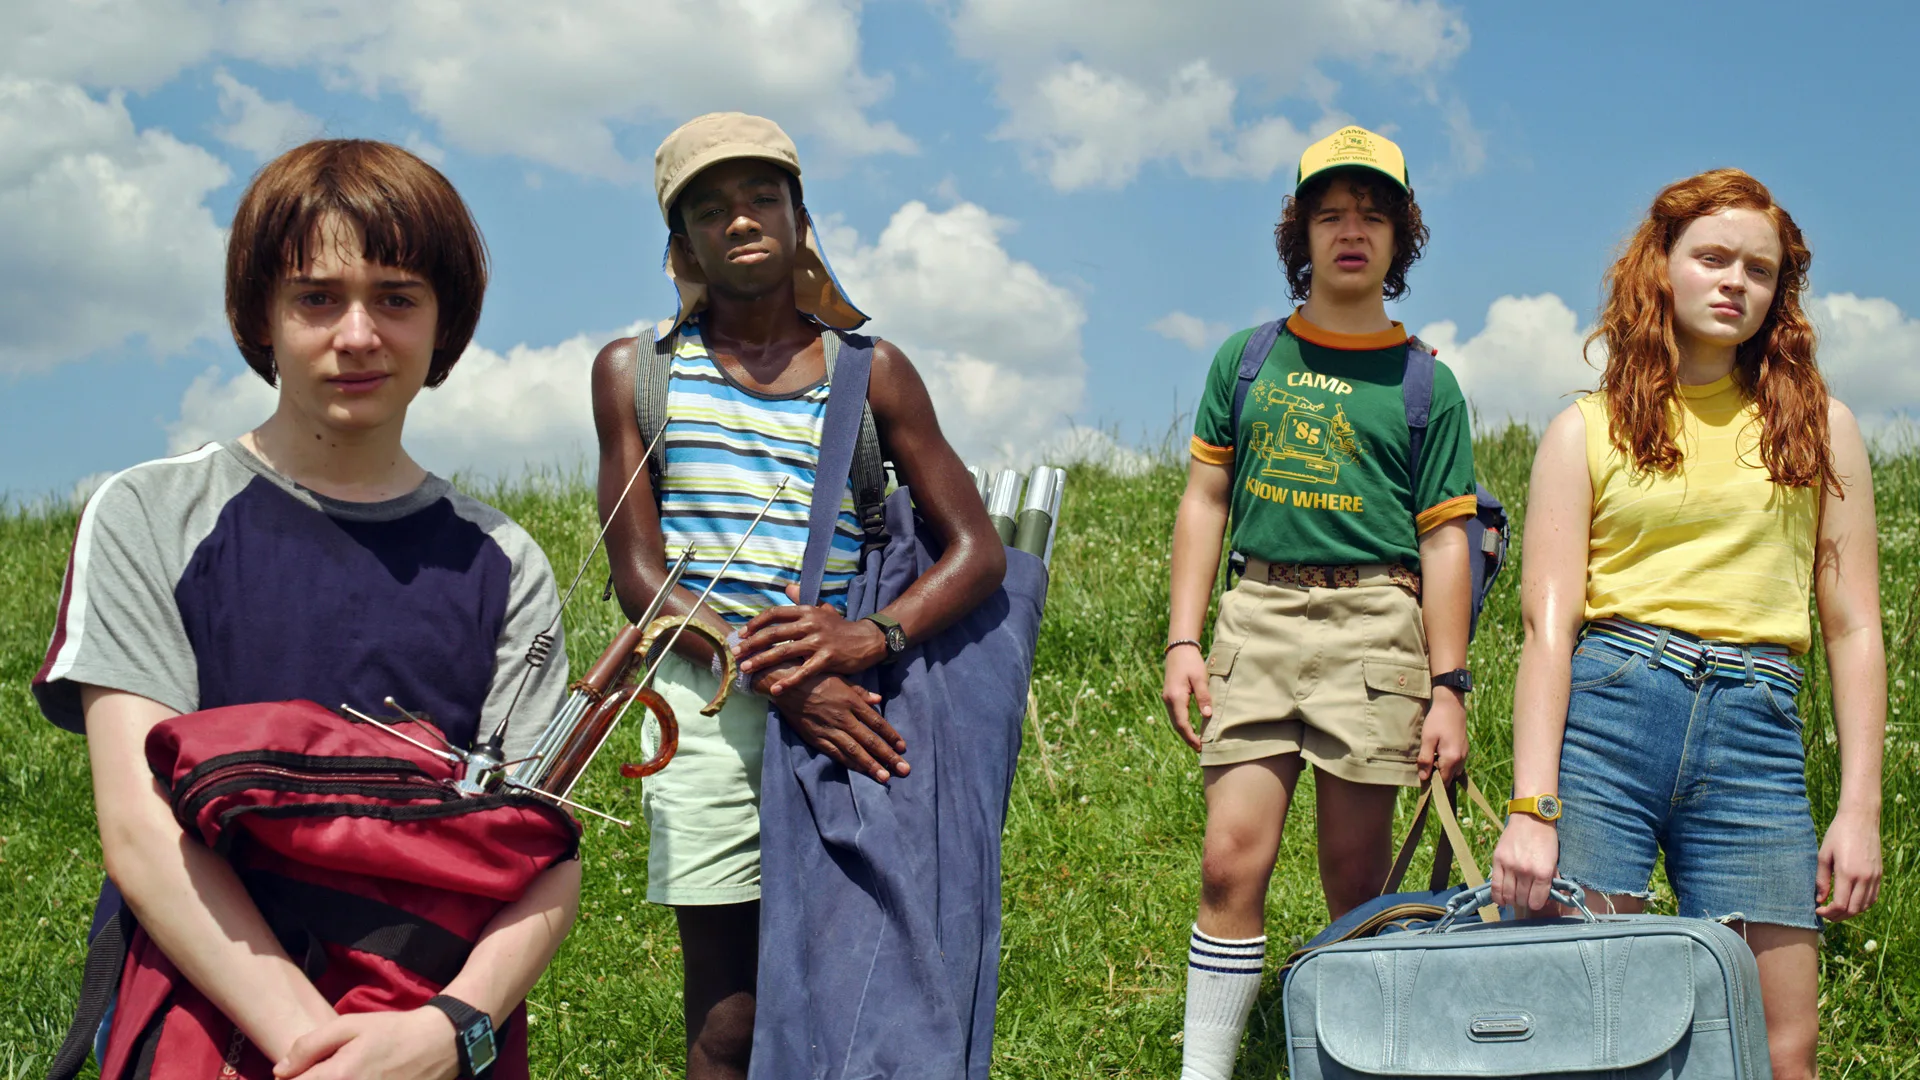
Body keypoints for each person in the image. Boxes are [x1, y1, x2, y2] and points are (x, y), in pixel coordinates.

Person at [33, 140, 580, 1080]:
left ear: (446, 321)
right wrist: (307, 1044)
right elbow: (139, 825)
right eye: (317, 297)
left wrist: (451, 1030)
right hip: (210, 1023)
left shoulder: (506, 563)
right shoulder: (152, 516)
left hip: (431, 1040)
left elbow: (544, 858)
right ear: (262, 317)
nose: (358, 333)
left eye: (398, 297)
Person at [588, 112, 1004, 1080]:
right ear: (677, 243)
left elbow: (977, 549)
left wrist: (870, 638)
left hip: (856, 706)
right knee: (729, 1015)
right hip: (710, 707)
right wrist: (774, 673)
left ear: (801, 217)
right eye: (710, 209)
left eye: (762, 199)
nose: (741, 221)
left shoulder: (872, 373)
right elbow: (641, 579)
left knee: (864, 984)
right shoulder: (637, 373)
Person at [1490, 168, 1885, 1078]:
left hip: (1756, 734)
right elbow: (1549, 633)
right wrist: (1530, 807)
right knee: (1583, 1033)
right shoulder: (1582, 431)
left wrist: (1858, 807)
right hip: (1609, 720)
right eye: (1711, 258)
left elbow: (1856, 626)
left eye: (1759, 269)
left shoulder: (1824, 429)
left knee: (1781, 1048)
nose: (1734, 281)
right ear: (1659, 268)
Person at [1161, 126, 1479, 1080]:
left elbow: (1444, 541)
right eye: (1329, 214)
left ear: (1401, 238)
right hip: (1255, 614)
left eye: (1373, 216)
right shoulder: (1248, 359)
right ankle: (1204, 1069)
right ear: (1298, 233)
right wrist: (1184, 638)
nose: (1351, 233)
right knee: (1229, 860)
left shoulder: (1429, 384)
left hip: (1377, 625)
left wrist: (1450, 685)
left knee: (1356, 877)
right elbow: (1204, 500)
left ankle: (1355, 1062)